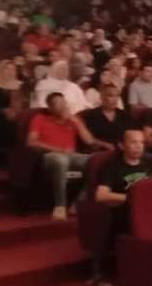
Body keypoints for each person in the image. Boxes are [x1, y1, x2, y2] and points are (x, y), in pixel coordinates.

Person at [27, 92, 103, 220]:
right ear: (50, 107)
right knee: (61, 160)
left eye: (64, 102)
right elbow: (31, 142)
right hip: (50, 155)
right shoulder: (39, 118)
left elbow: (89, 141)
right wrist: (59, 150)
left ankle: (78, 202)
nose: (63, 106)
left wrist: (75, 121)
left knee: (97, 162)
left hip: (72, 156)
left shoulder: (74, 119)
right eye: (58, 104)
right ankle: (60, 206)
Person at [93, 128, 152, 282]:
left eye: (141, 142)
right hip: (125, 210)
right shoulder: (111, 167)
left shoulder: (150, 164)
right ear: (121, 145)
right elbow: (101, 195)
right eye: (133, 142)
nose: (139, 146)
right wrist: (132, 198)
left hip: (150, 210)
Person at [81, 84, 132, 150]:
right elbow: (88, 139)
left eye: (117, 96)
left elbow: (132, 135)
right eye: (110, 96)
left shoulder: (125, 116)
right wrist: (104, 144)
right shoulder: (90, 115)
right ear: (101, 97)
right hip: (98, 151)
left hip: (122, 151)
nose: (115, 99)